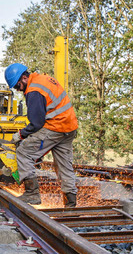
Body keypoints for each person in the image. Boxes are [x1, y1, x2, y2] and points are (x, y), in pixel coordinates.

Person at [5, 63, 78, 207]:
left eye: (17, 86)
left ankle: (32, 194)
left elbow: (36, 123)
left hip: (56, 126)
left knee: (24, 151)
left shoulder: (34, 90)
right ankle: (71, 204)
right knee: (64, 165)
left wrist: (20, 135)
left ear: (24, 78)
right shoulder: (42, 79)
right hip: (69, 127)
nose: (18, 90)